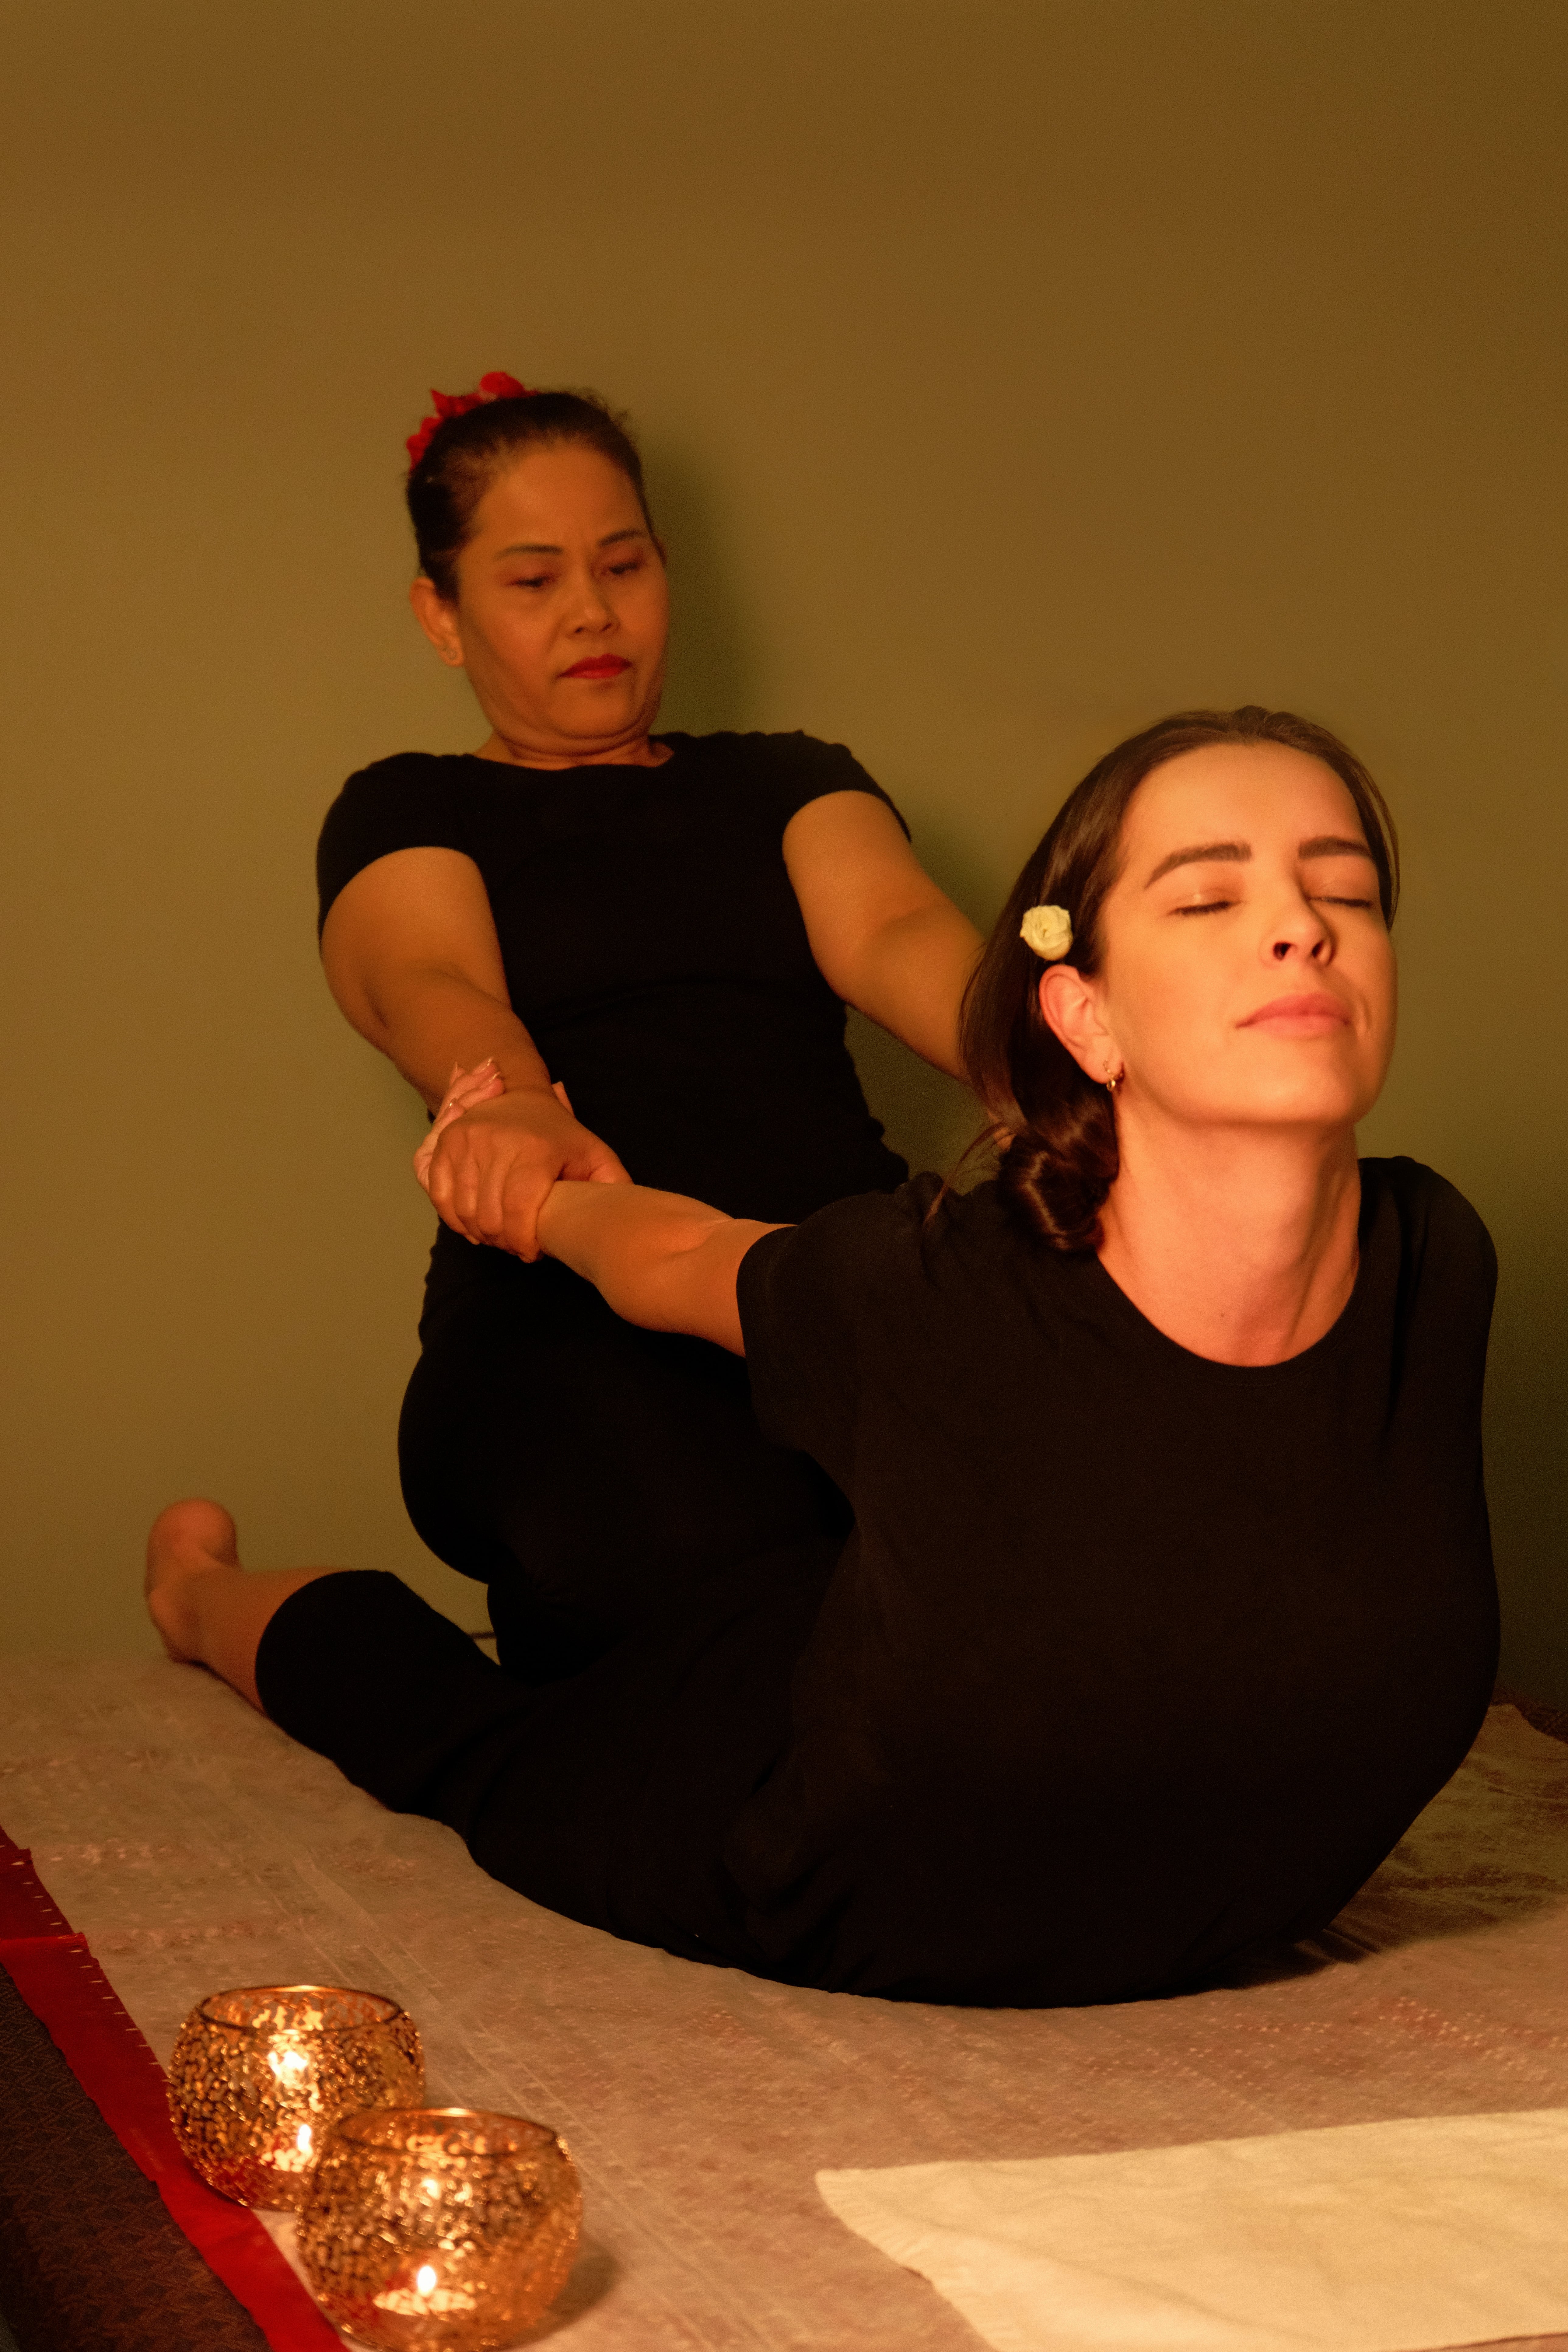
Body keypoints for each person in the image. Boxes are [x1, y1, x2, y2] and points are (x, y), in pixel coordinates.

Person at [150, 705, 1498, 2007]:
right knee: (478, 1735)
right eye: (1208, 899)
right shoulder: (943, 1291)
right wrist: (530, 1186)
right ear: (1082, 1017)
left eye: (1345, 890)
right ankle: (202, 1597)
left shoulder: (1433, 1259)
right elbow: (682, 1257)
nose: (1301, 928)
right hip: (815, 1857)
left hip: (927, 1655)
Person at [318, 372, 982, 1677]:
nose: (592, 611)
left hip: (826, 1283)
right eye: (533, 580)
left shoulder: (790, 779)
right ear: (441, 615)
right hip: (564, 1320)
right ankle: (224, 1604)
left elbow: (897, 932)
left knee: (1000, 1584)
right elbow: (432, 982)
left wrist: (1059, 1049)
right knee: (742, 1594)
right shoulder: (407, 807)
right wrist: (513, 1105)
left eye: (623, 565)